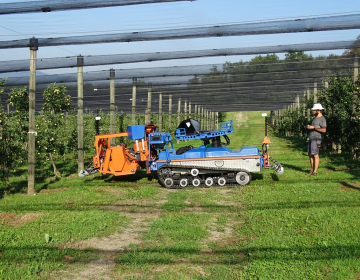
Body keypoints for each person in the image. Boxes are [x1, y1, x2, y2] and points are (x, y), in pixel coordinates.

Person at [305, 103, 327, 176]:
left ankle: (315, 171)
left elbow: (324, 130)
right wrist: (309, 127)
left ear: (318, 110)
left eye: (313, 110)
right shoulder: (315, 118)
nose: (312, 111)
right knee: (310, 154)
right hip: (311, 138)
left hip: (316, 139)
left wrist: (314, 128)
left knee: (315, 155)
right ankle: (312, 170)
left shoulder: (322, 119)